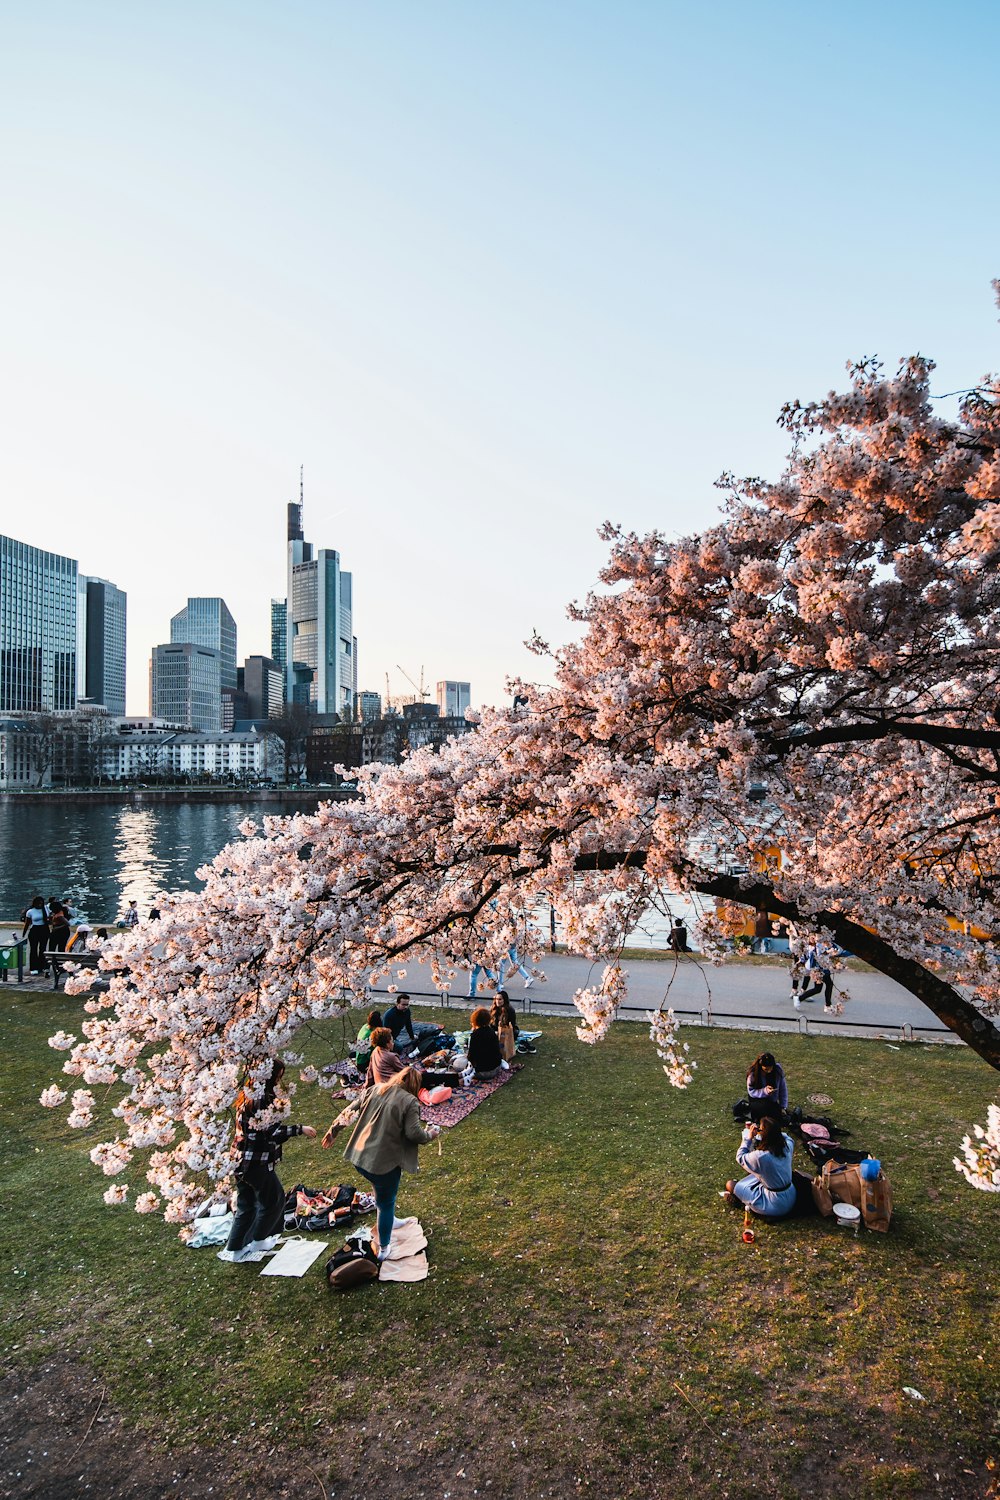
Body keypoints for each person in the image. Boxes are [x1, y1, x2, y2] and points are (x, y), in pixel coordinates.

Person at [328, 1067, 440, 1261]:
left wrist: (334, 1129)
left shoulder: (376, 1088)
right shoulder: (410, 1101)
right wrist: (430, 1134)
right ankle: (384, 1248)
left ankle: (390, 1221)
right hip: (383, 1163)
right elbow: (414, 1134)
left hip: (361, 1157)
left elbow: (350, 1110)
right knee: (386, 1203)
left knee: (382, 1194)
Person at [219, 1061, 316, 1263]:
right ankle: (258, 1240)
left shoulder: (249, 1094)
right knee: (273, 1199)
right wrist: (300, 1129)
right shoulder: (262, 1099)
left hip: (239, 1159)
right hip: (255, 1161)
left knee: (247, 1204)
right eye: (278, 1076)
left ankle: (237, 1248)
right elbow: (273, 1133)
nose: (280, 1080)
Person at [724, 1116, 796, 1219]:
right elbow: (787, 1137)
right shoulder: (788, 1146)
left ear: (764, 1135)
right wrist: (774, 1132)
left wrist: (748, 1138)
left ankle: (744, 1203)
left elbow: (740, 1157)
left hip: (775, 1204)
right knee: (755, 1176)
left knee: (730, 1184)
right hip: (791, 1196)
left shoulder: (761, 1157)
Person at [800, 934, 838, 1012]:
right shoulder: (816, 945)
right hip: (818, 969)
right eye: (816, 936)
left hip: (823, 968)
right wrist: (828, 951)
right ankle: (799, 998)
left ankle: (827, 1005)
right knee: (819, 988)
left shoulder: (824, 942)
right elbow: (819, 955)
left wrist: (833, 951)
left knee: (826, 986)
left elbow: (833, 948)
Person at [746, 1052, 788, 1120]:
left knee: (778, 1114)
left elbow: (783, 1089)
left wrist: (783, 1106)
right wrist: (765, 1091)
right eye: (766, 1069)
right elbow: (751, 1091)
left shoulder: (777, 1071)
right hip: (756, 1100)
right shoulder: (753, 1074)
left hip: (771, 1101)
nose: (769, 1071)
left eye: (771, 1068)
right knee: (767, 1111)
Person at [467, 1006, 505, 1080]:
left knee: (460, 1063)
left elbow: (471, 1056)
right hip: (496, 1068)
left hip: (482, 1073)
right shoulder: (492, 1032)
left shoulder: (475, 1035)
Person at [22, 896, 49, 974]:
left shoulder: (45, 909)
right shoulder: (30, 911)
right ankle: (34, 967)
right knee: (34, 949)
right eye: (38, 903)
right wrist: (23, 934)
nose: (40, 905)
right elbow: (27, 923)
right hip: (34, 930)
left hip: (44, 929)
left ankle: (42, 966)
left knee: (42, 949)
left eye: (41, 903)